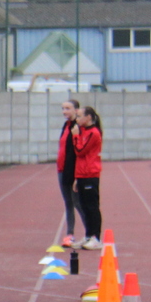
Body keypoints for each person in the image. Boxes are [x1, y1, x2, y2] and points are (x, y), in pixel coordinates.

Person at [72, 105, 104, 249]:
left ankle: (96, 238)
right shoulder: (83, 131)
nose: (77, 119)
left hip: (90, 173)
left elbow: (80, 151)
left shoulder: (93, 133)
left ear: (88, 117)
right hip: (82, 173)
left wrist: (75, 136)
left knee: (92, 206)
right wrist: (77, 177)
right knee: (84, 206)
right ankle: (88, 235)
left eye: (79, 116)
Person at [55, 98, 81, 249]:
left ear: (76, 110)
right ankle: (70, 234)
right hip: (62, 169)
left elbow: (78, 150)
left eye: (67, 108)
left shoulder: (77, 127)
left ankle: (91, 233)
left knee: (77, 202)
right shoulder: (66, 125)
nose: (64, 111)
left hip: (72, 170)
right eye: (63, 108)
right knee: (68, 203)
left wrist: (77, 174)